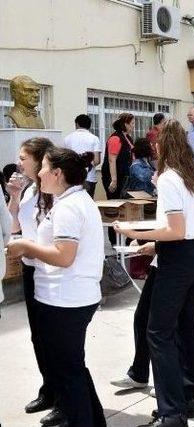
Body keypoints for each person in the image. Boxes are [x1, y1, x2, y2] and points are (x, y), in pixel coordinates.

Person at [114, 119, 194, 427]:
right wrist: (155, 245)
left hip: (179, 258)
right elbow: (189, 229)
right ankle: (188, 395)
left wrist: (134, 231)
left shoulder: (170, 178)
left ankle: (172, 412)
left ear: (160, 145)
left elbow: (176, 229)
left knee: (159, 332)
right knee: (186, 326)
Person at [7, 147, 106, 427]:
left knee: (67, 373)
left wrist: (27, 247)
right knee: (72, 368)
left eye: (43, 168)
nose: (38, 173)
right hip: (67, 296)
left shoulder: (69, 207)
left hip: (65, 299)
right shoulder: (71, 200)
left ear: (57, 173)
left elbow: (64, 256)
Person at [5, 138, 57, 423]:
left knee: (53, 338)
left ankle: (63, 396)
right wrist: (13, 195)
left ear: (39, 160)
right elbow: (15, 226)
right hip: (30, 267)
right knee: (38, 335)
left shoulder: (51, 192)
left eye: (24, 157)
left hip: (49, 270)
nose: (19, 162)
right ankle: (48, 389)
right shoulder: (29, 190)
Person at [62, 114, 101, 198]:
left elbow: (64, 160)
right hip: (89, 178)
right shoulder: (94, 138)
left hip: (71, 178)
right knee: (88, 204)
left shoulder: (67, 138)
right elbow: (97, 160)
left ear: (76, 124)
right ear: (89, 125)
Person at [101, 112, 134, 200]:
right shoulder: (115, 138)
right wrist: (114, 180)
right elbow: (112, 160)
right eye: (132, 123)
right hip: (114, 177)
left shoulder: (128, 137)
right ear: (125, 124)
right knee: (115, 202)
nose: (133, 126)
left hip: (125, 176)